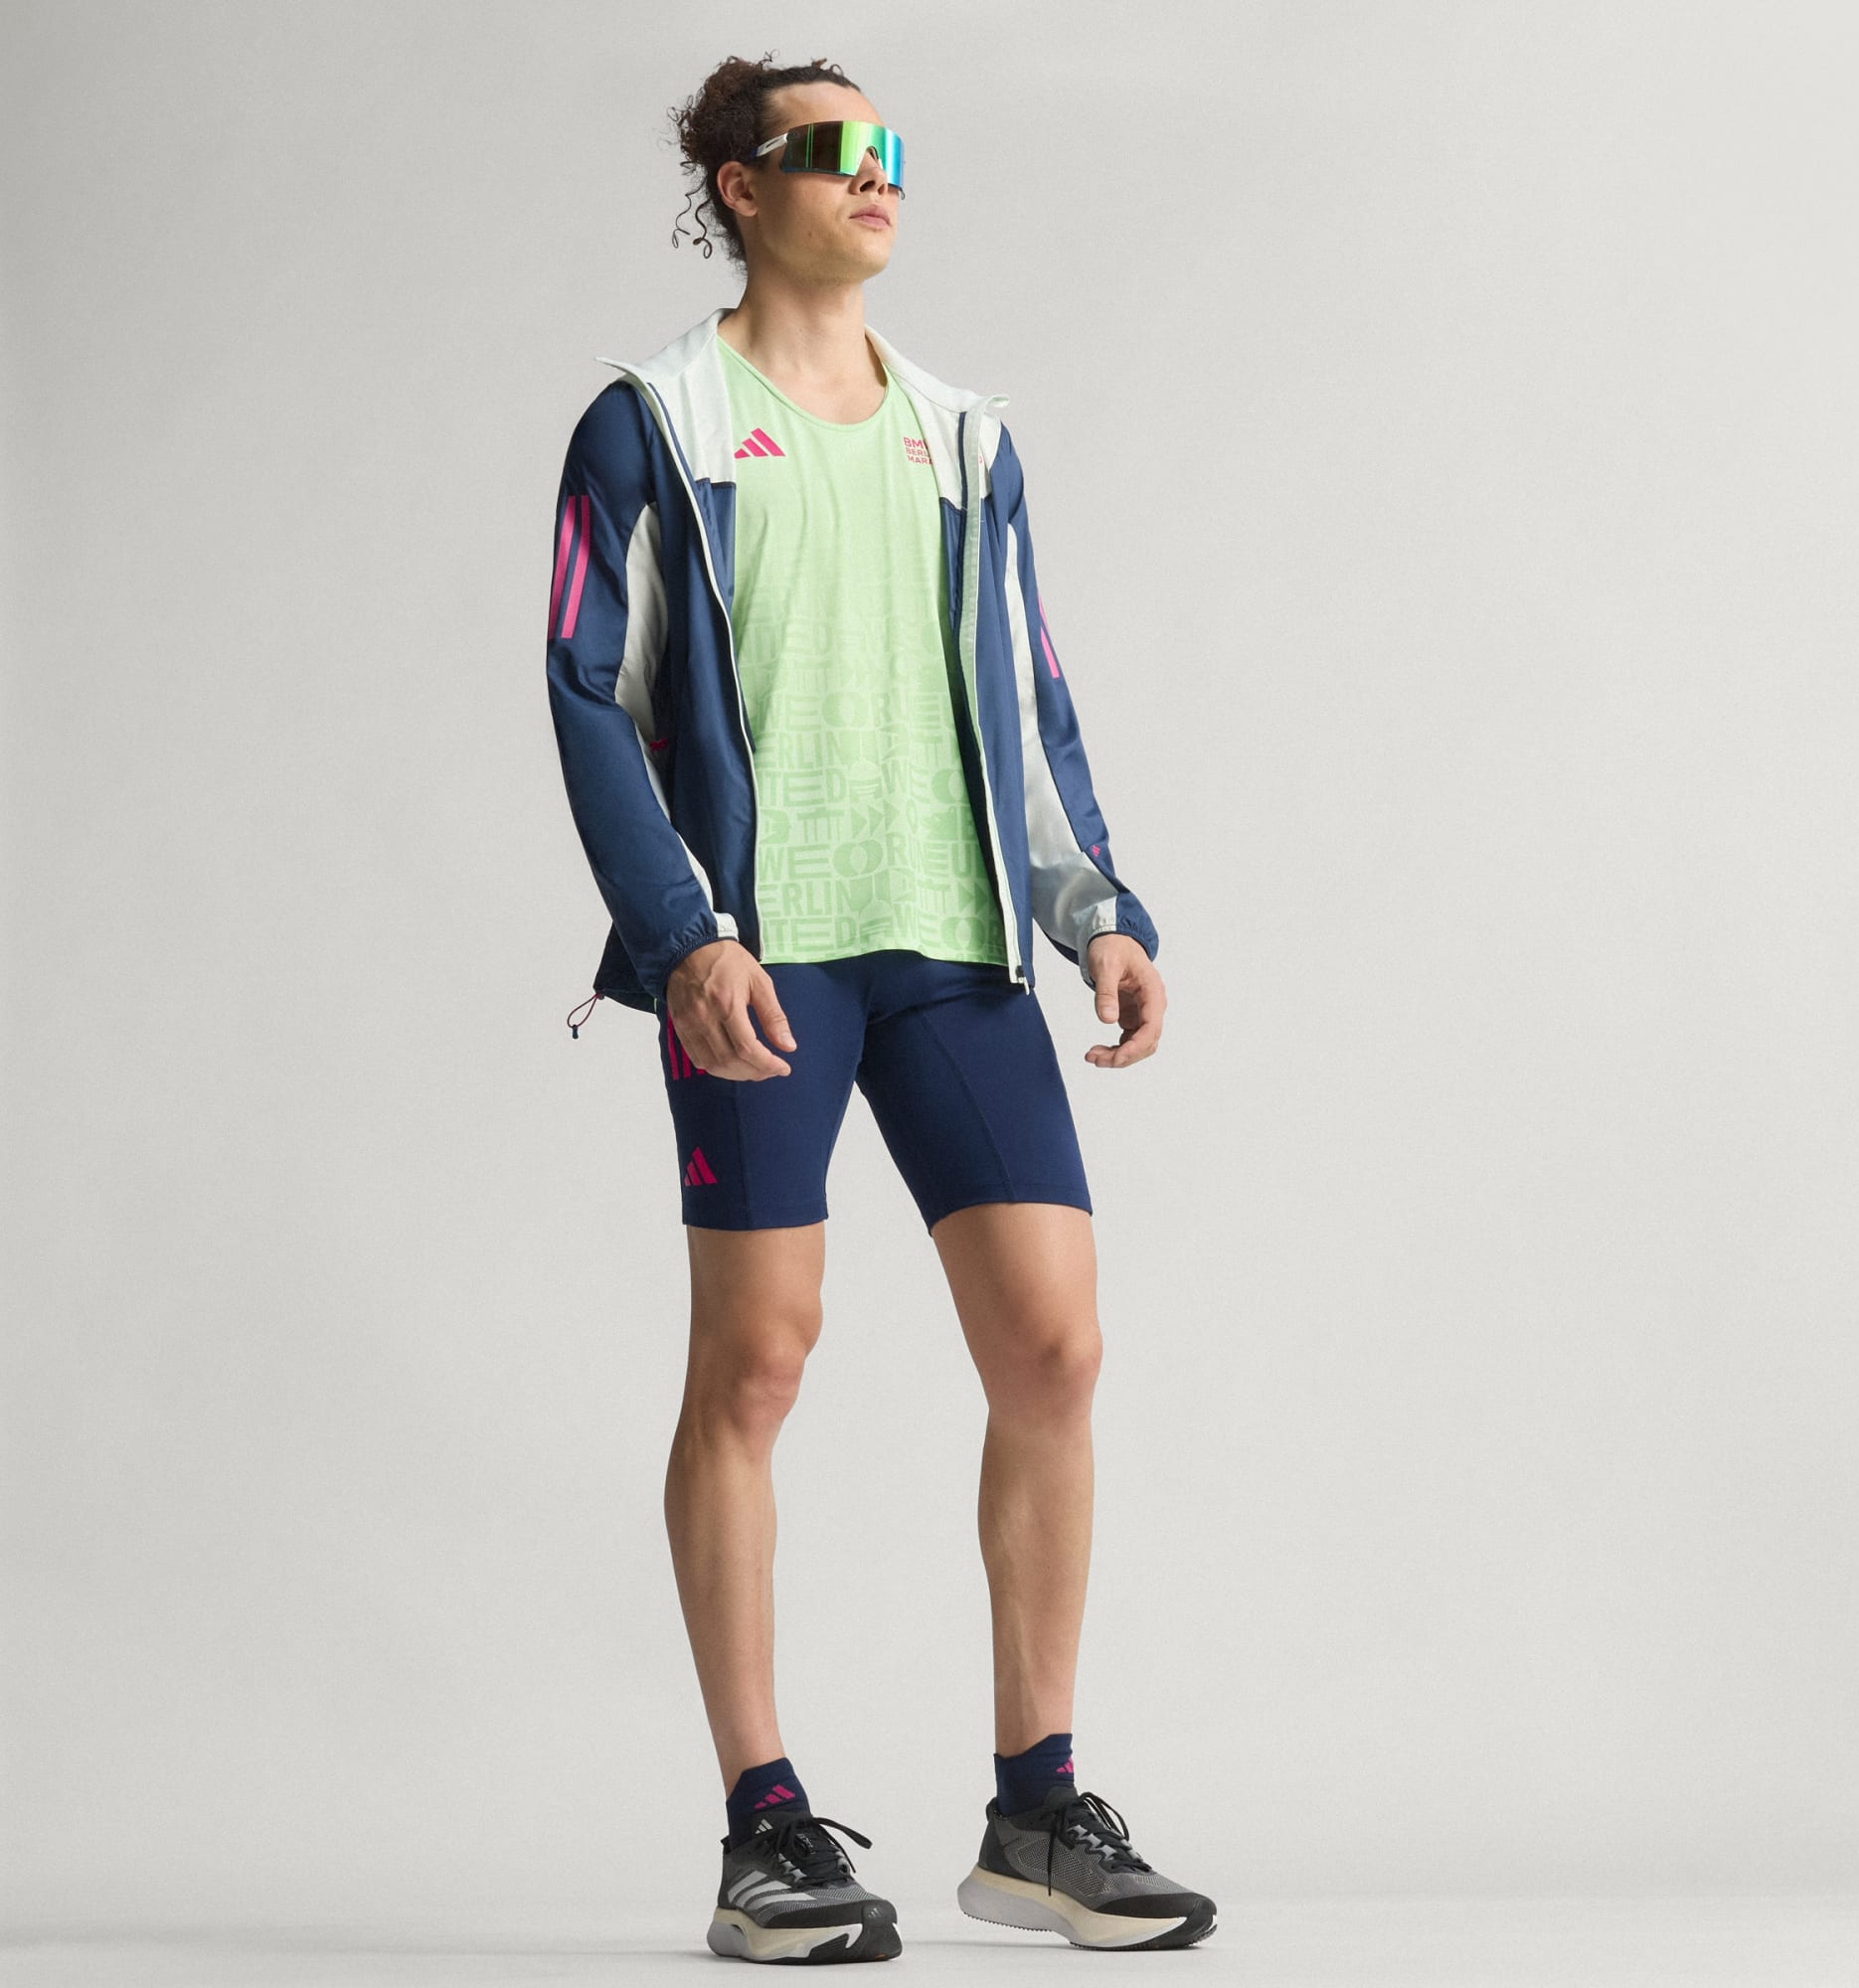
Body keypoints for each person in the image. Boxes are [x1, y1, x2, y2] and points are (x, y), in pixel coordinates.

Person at [544, 53, 1214, 1963]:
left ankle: (1037, 1811)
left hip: (951, 943)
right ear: (741, 189)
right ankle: (765, 1830)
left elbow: (1034, 694)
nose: (875, 173)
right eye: (831, 149)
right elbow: (587, 689)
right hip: (758, 960)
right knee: (756, 1365)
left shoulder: (968, 438)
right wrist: (681, 934)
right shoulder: (653, 425)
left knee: (1055, 1351)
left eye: (890, 147)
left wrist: (1094, 907)